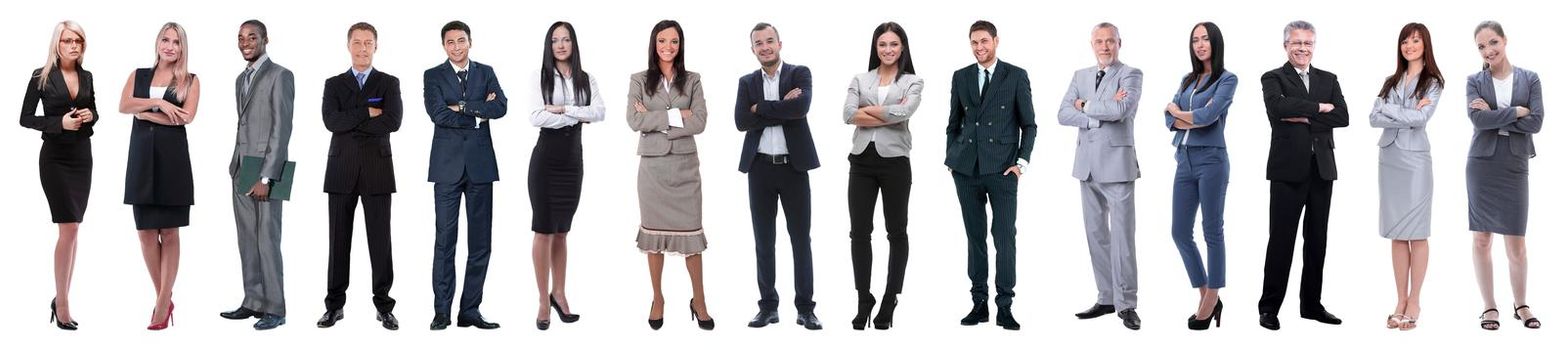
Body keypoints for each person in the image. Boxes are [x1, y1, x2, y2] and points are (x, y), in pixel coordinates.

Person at [1258, 20, 1349, 331]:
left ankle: (1311, 305)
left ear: (1314, 46)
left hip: (1321, 169)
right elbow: (1277, 108)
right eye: (1296, 43)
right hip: (1287, 168)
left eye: (1308, 43)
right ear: (1286, 45)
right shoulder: (1273, 77)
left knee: (1317, 240)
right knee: (1281, 240)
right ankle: (1269, 307)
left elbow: (1343, 116)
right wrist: (1319, 109)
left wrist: (1302, 114)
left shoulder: (1328, 78)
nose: (1302, 48)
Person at [947, 20, 1036, 331]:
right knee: (975, 239)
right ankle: (979, 303)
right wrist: (952, 159)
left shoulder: (1016, 75)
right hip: (966, 170)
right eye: (974, 42)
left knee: (1004, 237)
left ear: (996, 41)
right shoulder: (961, 76)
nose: (979, 47)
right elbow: (953, 123)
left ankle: (1005, 306)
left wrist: (1021, 162)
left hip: (1002, 169)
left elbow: (1029, 125)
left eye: (984, 41)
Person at [628, 20, 715, 331]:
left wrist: (655, 119)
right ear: (654, 44)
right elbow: (633, 120)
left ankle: (699, 299)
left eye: (674, 41)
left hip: (685, 168)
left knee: (692, 238)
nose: (668, 47)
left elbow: (701, 121)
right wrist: (679, 114)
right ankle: (658, 298)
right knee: (653, 240)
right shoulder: (639, 80)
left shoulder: (692, 80)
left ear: (681, 45)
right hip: (652, 170)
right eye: (662, 40)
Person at [735, 22, 822, 331]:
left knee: (801, 240)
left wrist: (763, 108)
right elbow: (742, 120)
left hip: (793, 168)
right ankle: (768, 307)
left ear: (779, 43)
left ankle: (805, 309)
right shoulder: (746, 82)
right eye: (759, 43)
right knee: (764, 241)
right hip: (759, 169)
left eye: (769, 41)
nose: (765, 47)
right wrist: (780, 107)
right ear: (753, 49)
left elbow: (800, 109)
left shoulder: (800, 73)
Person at [1057, 22, 1143, 330]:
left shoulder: (1131, 74)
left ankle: (1127, 303)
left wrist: (1085, 104)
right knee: (1096, 235)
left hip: (1117, 165)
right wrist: (1094, 116)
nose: (1105, 47)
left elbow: (1121, 109)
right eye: (1099, 42)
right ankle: (1107, 297)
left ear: (1120, 42)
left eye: (1110, 41)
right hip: (1087, 166)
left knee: (1122, 238)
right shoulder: (1080, 75)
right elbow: (1063, 113)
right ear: (1091, 44)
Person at [317, 22, 402, 331]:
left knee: (381, 241)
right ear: (348, 45)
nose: (363, 48)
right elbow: (330, 121)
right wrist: (367, 113)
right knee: (338, 241)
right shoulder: (333, 84)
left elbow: (393, 121)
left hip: (378, 170)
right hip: (341, 169)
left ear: (375, 47)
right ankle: (334, 305)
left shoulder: (388, 82)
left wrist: (350, 120)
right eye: (357, 42)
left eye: (368, 43)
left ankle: (384, 306)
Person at [423, 20, 506, 331]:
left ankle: (470, 310)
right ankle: (442, 311)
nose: (456, 47)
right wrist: (476, 112)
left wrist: (461, 107)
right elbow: (437, 113)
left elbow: (501, 106)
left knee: (481, 242)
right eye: (450, 42)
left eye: (461, 40)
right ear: (444, 46)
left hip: (481, 166)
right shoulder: (432, 75)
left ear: (470, 41)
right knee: (445, 241)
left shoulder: (486, 72)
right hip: (446, 167)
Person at [118, 22, 201, 331]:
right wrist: (161, 103)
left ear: (182, 48)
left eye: (176, 42)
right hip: (140, 160)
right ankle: (164, 297)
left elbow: (186, 118)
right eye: (165, 39)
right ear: (157, 42)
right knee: (145, 233)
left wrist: (145, 112)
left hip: (173, 161)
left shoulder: (191, 80)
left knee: (170, 232)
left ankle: (162, 303)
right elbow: (124, 105)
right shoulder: (138, 75)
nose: (169, 46)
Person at [842, 21, 922, 331]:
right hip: (861, 162)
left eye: (893, 45)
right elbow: (847, 114)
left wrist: (868, 110)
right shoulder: (860, 78)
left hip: (895, 163)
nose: (888, 50)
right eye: (882, 45)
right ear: (875, 48)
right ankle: (864, 298)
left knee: (896, 231)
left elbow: (905, 113)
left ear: (902, 48)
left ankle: (890, 298)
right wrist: (887, 111)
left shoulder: (913, 81)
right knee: (858, 233)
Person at [1466, 20, 1543, 331]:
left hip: (1514, 164)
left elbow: (1536, 122)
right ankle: (1489, 306)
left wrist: (1496, 115)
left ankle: (1521, 304)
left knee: (1517, 243)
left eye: (1493, 42)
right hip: (1482, 164)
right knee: (1482, 239)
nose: (1488, 51)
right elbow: (1477, 119)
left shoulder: (1530, 78)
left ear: (1505, 40)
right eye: (1482, 47)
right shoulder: (1474, 80)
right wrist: (1516, 112)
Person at [20, 20, 96, 331]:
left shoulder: (87, 75)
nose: (73, 45)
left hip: (82, 157)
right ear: (57, 44)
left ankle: (61, 296)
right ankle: (62, 302)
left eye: (78, 40)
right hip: (55, 159)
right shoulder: (41, 76)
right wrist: (58, 124)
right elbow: (25, 118)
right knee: (68, 228)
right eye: (67, 40)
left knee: (74, 229)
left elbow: (93, 112)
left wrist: (91, 116)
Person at [527, 21, 603, 331]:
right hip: (545, 162)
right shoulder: (540, 76)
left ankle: (559, 293)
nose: (560, 45)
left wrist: (561, 110)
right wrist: (575, 113)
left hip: (573, 163)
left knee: (562, 231)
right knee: (544, 230)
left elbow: (599, 112)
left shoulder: (587, 78)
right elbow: (536, 117)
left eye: (566, 39)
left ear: (573, 44)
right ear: (549, 45)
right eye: (555, 40)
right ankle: (543, 300)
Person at [220, 19, 295, 331]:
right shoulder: (241, 78)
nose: (245, 42)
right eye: (241, 37)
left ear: (266, 39)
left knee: (268, 240)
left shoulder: (281, 75)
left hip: (267, 168)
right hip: (241, 165)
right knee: (247, 240)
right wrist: (238, 164)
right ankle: (253, 301)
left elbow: (282, 128)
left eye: (252, 36)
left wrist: (267, 176)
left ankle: (276, 308)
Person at [1369, 22, 1443, 331]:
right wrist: (1406, 110)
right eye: (1405, 41)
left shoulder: (1433, 81)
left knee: (1417, 232)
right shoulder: (1390, 81)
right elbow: (1373, 117)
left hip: (1415, 161)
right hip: (1390, 158)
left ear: (1425, 44)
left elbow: (1422, 118)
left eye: (1415, 40)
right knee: (1397, 233)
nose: (1409, 45)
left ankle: (1415, 299)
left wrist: (1392, 111)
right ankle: (1399, 299)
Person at [1165, 21, 1237, 331]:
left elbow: (1209, 116)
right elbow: (1167, 118)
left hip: (1212, 160)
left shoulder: (1227, 79)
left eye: (1205, 38)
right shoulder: (1188, 79)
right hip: (1184, 159)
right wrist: (1183, 116)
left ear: (1215, 42)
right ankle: (1204, 290)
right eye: (1195, 39)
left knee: (1212, 230)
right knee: (1179, 232)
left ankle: (1212, 297)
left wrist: (1179, 111)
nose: (1200, 44)